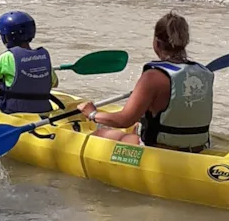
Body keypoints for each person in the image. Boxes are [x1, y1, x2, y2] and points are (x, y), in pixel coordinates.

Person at [78, 11, 213, 150]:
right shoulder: (204, 73)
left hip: (161, 151)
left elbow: (124, 120)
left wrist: (92, 113)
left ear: (156, 43)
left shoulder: (153, 76)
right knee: (136, 127)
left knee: (100, 134)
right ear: (185, 41)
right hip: (198, 148)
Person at [0, 10, 58, 114]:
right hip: (42, 111)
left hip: (11, 113)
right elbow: (54, 83)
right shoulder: (42, 56)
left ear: (6, 37)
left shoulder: (7, 58)